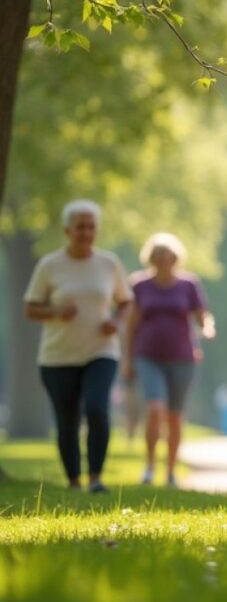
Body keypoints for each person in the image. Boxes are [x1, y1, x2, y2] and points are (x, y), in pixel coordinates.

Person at [24, 199, 133, 493]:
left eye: (91, 227)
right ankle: (74, 480)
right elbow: (31, 308)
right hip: (58, 356)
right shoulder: (50, 265)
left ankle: (96, 478)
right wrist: (56, 312)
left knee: (97, 408)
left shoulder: (109, 263)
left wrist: (117, 321)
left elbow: (126, 301)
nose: (86, 233)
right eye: (80, 227)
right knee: (67, 419)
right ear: (67, 230)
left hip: (101, 350)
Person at [122, 233, 215, 487]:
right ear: (151, 258)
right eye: (159, 255)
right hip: (147, 356)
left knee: (175, 417)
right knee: (155, 409)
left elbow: (202, 315)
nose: (164, 260)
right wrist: (127, 360)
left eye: (169, 255)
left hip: (183, 357)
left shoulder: (188, 284)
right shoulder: (140, 285)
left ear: (176, 258)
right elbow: (130, 325)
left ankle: (171, 471)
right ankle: (150, 466)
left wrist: (207, 328)